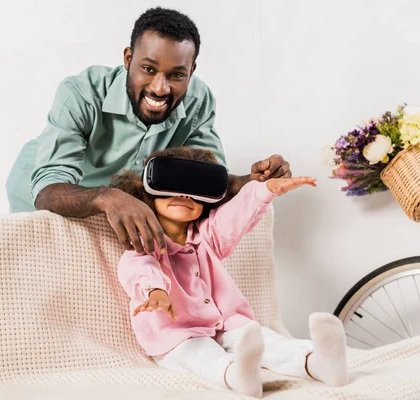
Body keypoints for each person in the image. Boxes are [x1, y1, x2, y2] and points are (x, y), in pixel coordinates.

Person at [5, 7, 291, 256]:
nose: (160, 88)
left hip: (122, 204)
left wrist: (249, 182)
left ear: (191, 71)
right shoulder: (80, 93)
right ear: (128, 59)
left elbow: (203, 183)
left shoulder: (199, 101)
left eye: (177, 74)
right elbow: (47, 190)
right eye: (148, 69)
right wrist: (107, 197)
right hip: (49, 194)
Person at [114, 147, 349, 398]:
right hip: (177, 336)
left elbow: (237, 215)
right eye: (172, 186)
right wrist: (156, 292)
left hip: (226, 325)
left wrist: (268, 189)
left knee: (265, 341)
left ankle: (317, 362)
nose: (183, 195)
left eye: (194, 192)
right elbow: (140, 269)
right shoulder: (142, 248)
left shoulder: (209, 236)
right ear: (148, 193)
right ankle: (237, 375)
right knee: (201, 354)